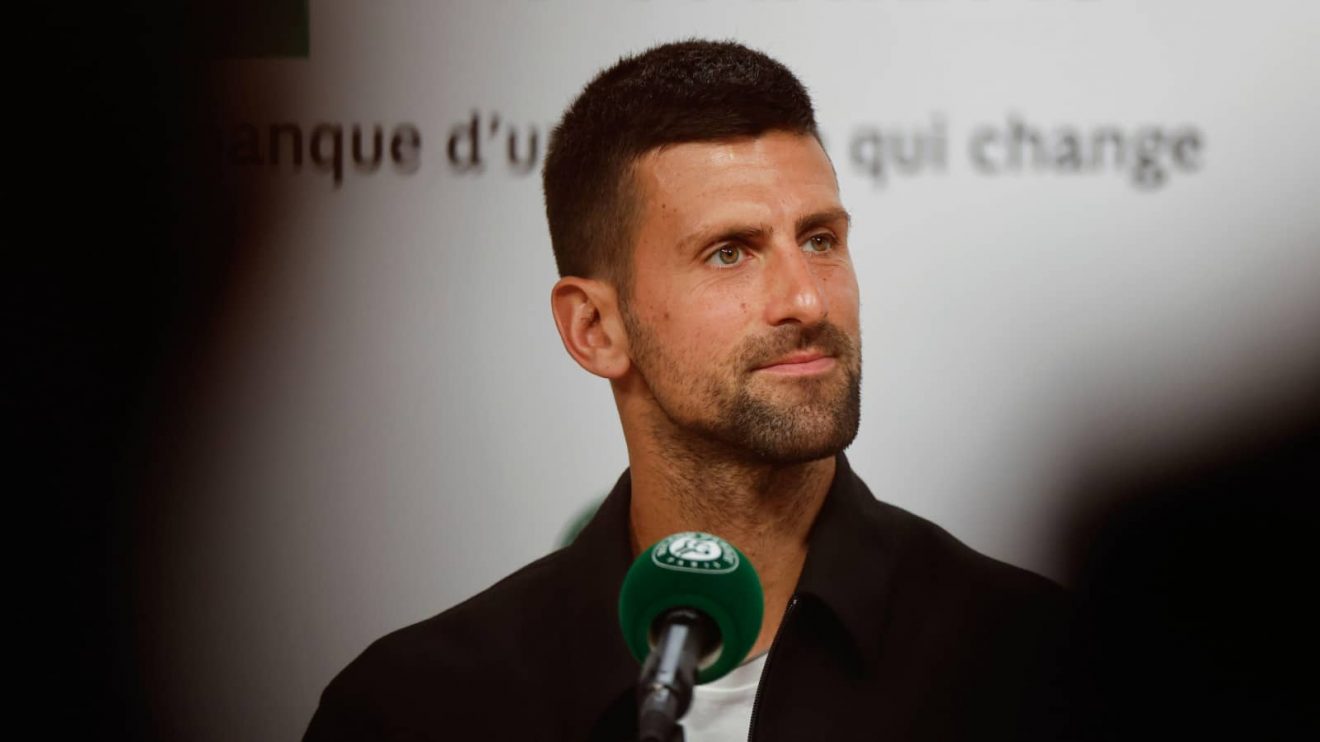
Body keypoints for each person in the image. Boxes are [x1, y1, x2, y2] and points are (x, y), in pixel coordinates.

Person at [304, 39, 1087, 742]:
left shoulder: (1037, 666)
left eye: (820, 240)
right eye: (728, 254)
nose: (807, 301)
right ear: (594, 330)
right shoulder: (418, 708)